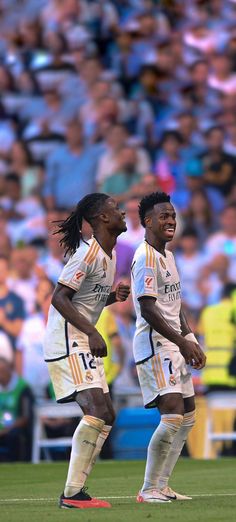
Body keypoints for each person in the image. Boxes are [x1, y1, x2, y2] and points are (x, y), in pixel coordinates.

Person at [43, 192, 130, 509]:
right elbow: (60, 298)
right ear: (102, 218)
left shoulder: (110, 254)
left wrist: (112, 297)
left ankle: (77, 491)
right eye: (115, 208)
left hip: (79, 337)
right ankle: (72, 494)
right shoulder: (86, 255)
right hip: (68, 339)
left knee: (107, 414)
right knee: (97, 411)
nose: (121, 212)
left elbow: (85, 300)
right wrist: (93, 331)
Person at [131, 191, 206, 504]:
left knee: (188, 416)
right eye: (164, 216)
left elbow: (174, 305)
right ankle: (148, 489)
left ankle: (162, 486)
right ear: (148, 222)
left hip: (174, 343)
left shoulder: (168, 256)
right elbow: (148, 308)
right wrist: (180, 341)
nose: (171, 221)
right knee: (173, 415)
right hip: (155, 345)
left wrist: (190, 338)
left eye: (173, 216)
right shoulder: (145, 258)